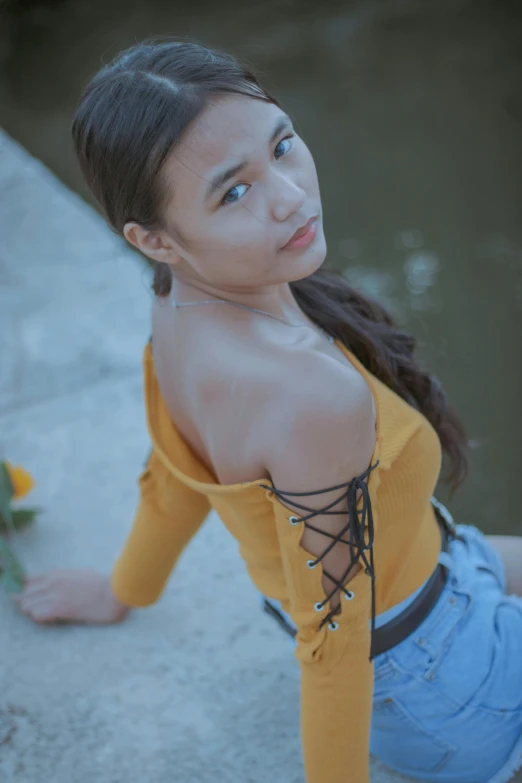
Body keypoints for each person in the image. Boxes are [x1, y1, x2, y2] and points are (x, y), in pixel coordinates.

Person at [13, 37, 522, 783]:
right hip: (442, 686)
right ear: (154, 238)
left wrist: (125, 590)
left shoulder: (176, 305)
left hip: (441, 574)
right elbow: (334, 644)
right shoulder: (309, 396)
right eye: (234, 192)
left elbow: (172, 469)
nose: (289, 195)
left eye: (281, 144)